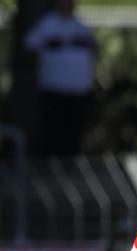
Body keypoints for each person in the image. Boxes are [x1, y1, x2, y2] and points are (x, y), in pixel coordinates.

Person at [25, 0, 95, 156]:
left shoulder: (80, 25)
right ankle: (49, 165)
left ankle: (69, 165)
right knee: (52, 130)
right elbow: (30, 48)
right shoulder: (47, 23)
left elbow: (91, 46)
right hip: (53, 89)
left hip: (78, 89)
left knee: (74, 131)